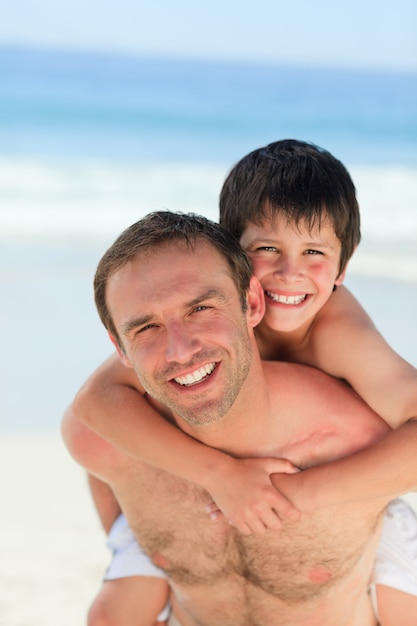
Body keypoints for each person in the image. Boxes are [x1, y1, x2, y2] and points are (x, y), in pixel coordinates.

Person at [66, 141, 417, 625]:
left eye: (314, 252)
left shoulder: (338, 330)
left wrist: (299, 493)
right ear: (230, 252)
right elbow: (96, 403)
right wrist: (218, 475)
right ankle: (131, 543)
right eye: (267, 249)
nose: (289, 274)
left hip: (342, 497)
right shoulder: (190, 323)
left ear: (342, 267)